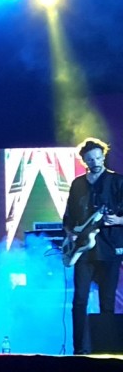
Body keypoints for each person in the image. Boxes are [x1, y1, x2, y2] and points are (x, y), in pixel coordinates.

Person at [63, 137, 123, 354]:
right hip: (82, 252)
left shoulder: (117, 181)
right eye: (90, 159)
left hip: (109, 248)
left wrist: (119, 220)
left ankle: (106, 349)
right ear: (84, 161)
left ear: (103, 156)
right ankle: (79, 349)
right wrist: (70, 233)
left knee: (107, 301)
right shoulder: (78, 184)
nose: (95, 162)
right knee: (79, 300)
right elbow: (69, 215)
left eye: (98, 157)